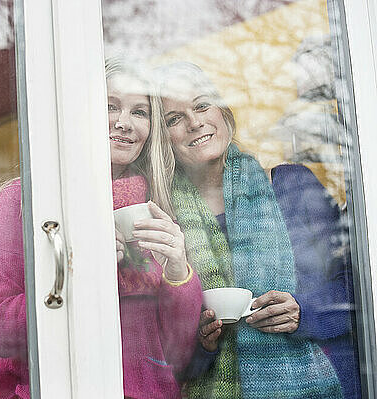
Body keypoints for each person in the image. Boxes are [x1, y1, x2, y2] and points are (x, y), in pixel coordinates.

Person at [0, 59, 202, 399]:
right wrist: (79, 272)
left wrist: (177, 271)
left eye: (140, 112)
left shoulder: (158, 205)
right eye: (110, 106)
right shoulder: (23, 201)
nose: (125, 123)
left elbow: (179, 350)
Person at [154, 62, 360, 399]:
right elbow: (164, 354)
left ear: (223, 112)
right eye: (174, 119)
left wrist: (303, 312)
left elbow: (358, 291)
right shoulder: (168, 222)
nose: (194, 123)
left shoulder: (293, 185)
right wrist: (202, 344)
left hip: (327, 383)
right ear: (164, 139)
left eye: (202, 104)